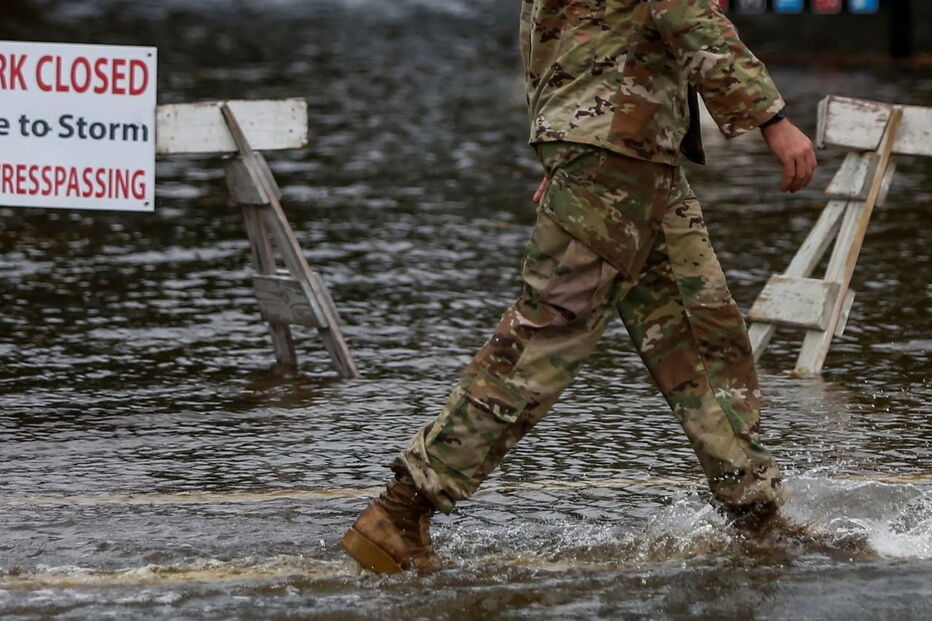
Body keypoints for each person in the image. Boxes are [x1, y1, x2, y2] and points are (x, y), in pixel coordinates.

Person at [341, 0, 818, 574]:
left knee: (702, 331)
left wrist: (564, 143)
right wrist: (771, 118)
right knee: (545, 338)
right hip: (616, 151)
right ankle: (401, 511)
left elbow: (545, 31)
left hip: (630, 151)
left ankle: (756, 515)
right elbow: (685, 11)